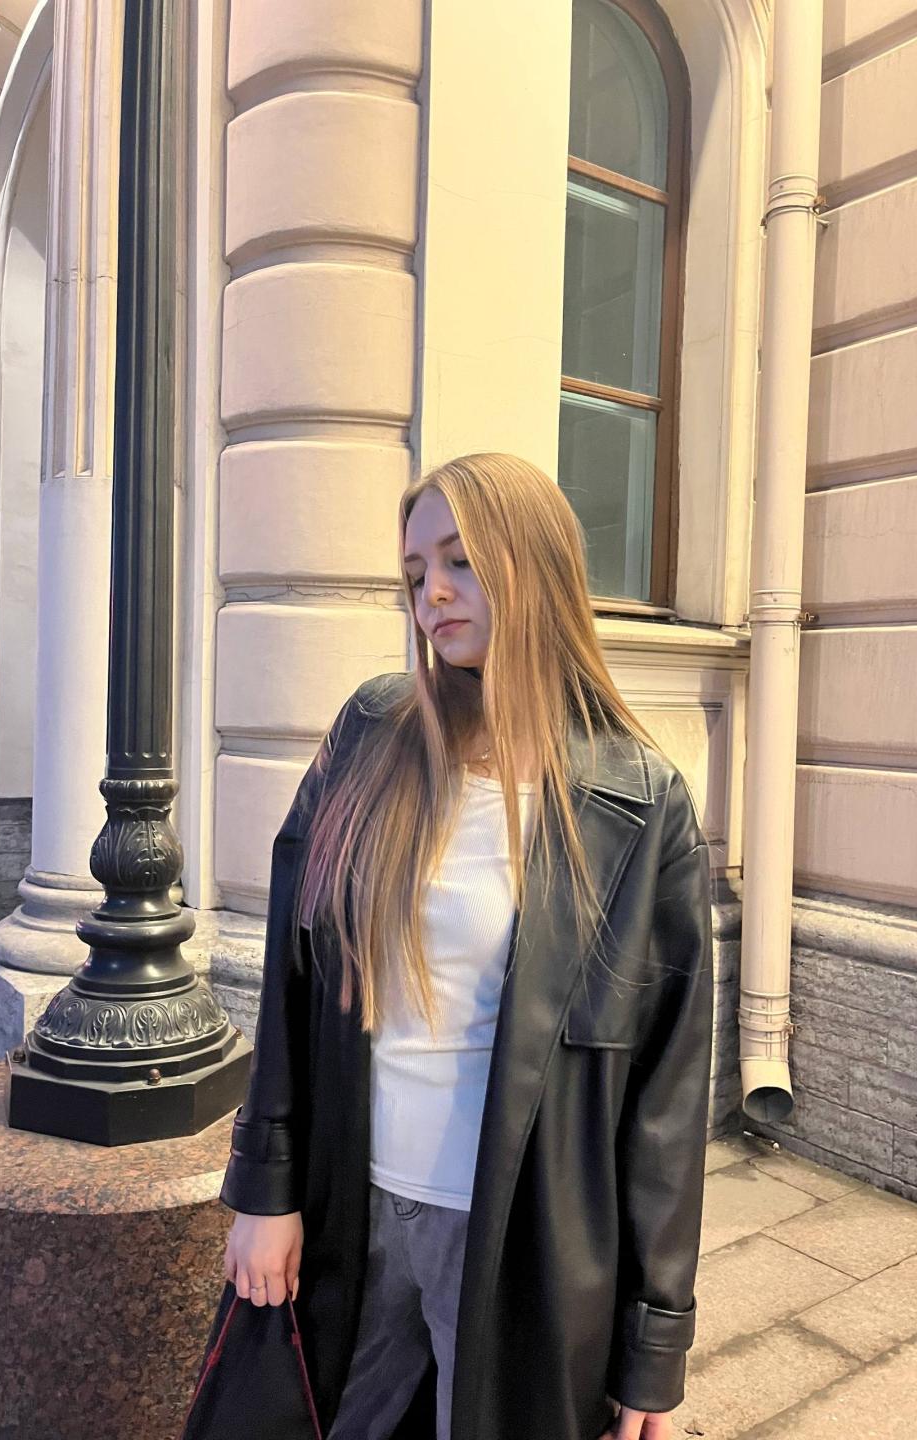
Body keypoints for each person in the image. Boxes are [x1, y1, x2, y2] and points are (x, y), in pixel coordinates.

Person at [220, 453, 714, 1440]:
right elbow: (290, 981)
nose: (431, 595)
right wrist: (264, 1193)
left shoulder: (637, 804)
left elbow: (666, 1099)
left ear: (536, 566)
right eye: (415, 573)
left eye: (460, 562)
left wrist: (652, 1350)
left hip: (521, 1246)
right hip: (351, 1206)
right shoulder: (371, 737)